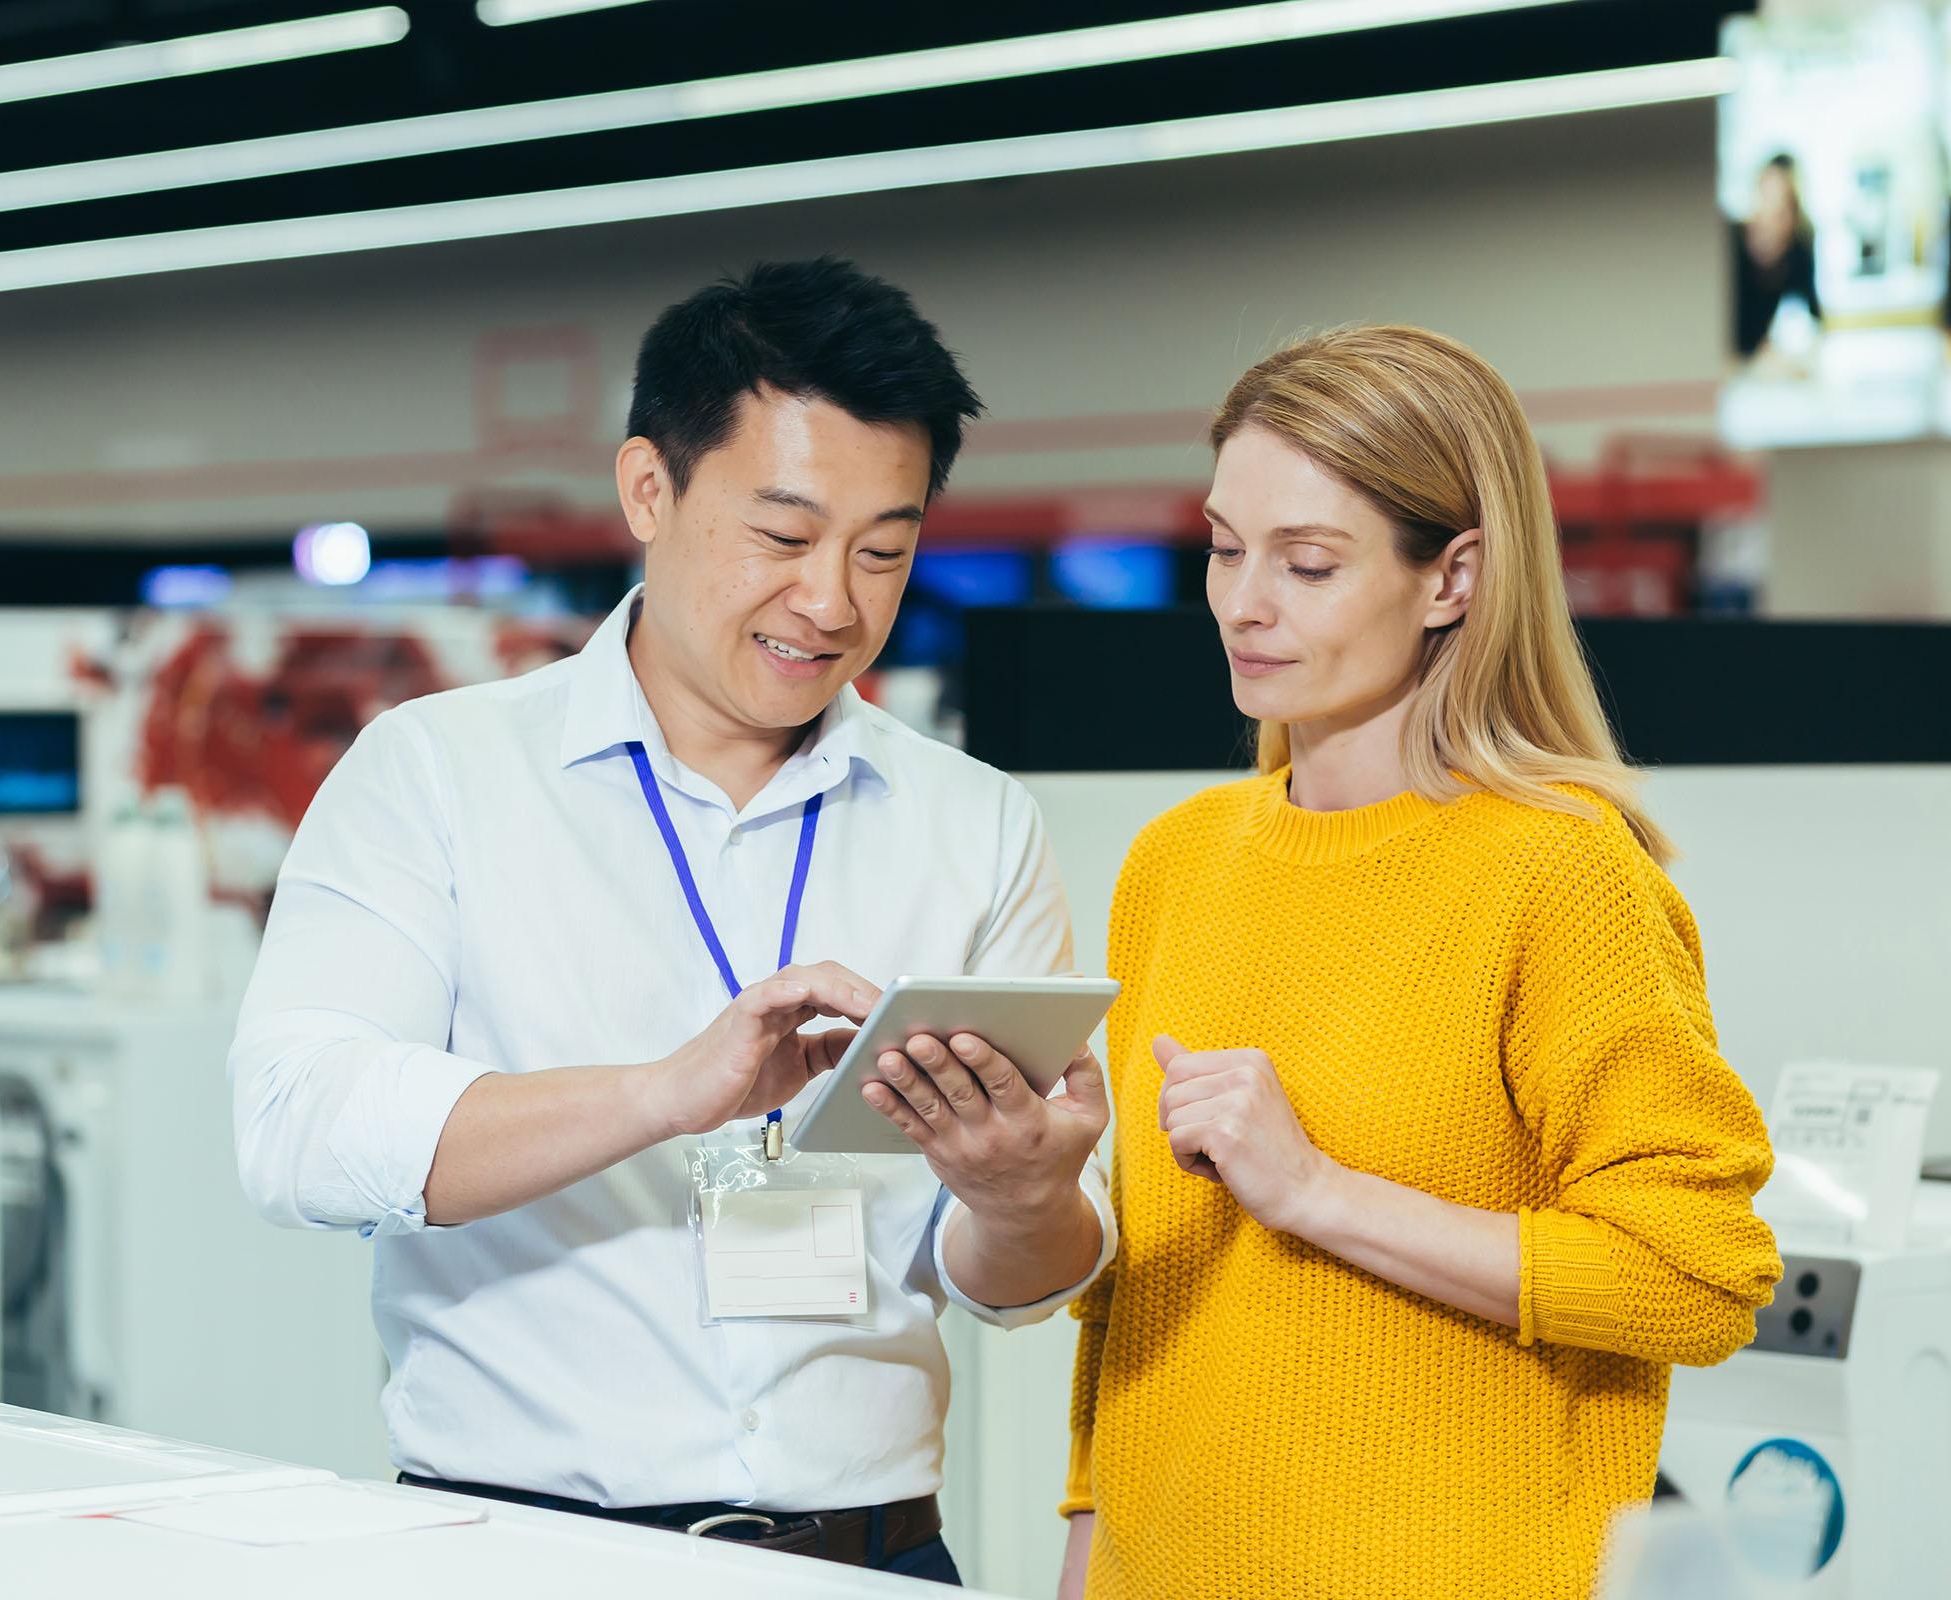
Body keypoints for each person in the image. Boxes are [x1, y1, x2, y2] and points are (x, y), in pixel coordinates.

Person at [231, 256, 1113, 1584]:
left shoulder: (976, 824)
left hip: (872, 1558)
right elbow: (296, 1132)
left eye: (885, 550)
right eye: (783, 536)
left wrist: (1024, 1191)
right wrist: (665, 1092)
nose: (832, 601)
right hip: (520, 1556)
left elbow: (1018, 1284)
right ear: (649, 489)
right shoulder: (439, 773)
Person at [1058, 326, 1781, 1600]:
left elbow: (1699, 1275)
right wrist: (1086, 1553)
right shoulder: (1174, 861)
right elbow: (1133, 1307)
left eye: (1310, 563)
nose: (1243, 602)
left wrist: (1319, 1192)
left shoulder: (1557, 873)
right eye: (1227, 548)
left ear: (1452, 579)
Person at [1731, 153, 1822, 364]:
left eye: (1780, 211)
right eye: (1764, 199)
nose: (1768, 219)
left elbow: (1814, 314)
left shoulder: (1798, 253)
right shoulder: (1730, 243)